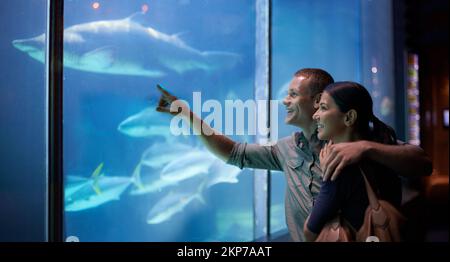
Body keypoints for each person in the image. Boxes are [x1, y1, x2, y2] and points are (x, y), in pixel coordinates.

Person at [155, 68, 432, 241]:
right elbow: (234, 153)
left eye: (292, 94)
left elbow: (422, 163)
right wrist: (186, 114)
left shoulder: (363, 139)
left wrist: (366, 149)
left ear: (316, 101)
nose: (284, 100)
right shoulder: (286, 149)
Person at [304, 81, 402, 241]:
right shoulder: (383, 153)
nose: (315, 115)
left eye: (323, 108)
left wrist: (326, 177)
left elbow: (309, 231)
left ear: (349, 117)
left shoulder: (339, 169)